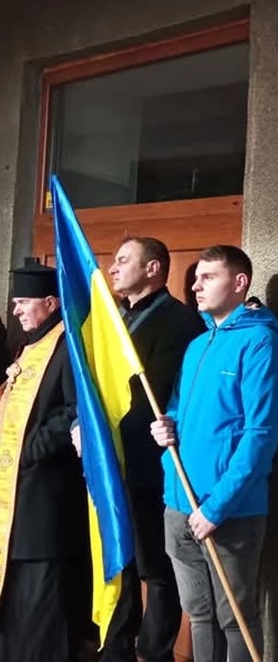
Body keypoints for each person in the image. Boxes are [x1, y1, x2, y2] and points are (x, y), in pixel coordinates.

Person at [150, 245, 278, 662]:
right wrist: (166, 427)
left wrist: (217, 508)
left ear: (239, 282)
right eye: (196, 278)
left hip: (229, 512)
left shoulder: (261, 343)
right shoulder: (198, 344)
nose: (196, 285)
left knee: (235, 618)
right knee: (199, 613)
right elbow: (178, 408)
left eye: (208, 277)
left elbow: (260, 435)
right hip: (179, 503)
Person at [94, 237, 205, 662]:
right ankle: (117, 647)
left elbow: (154, 395)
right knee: (119, 560)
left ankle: (154, 652)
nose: (113, 268)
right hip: (110, 460)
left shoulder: (180, 322)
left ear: (153, 268)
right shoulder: (114, 317)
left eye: (124, 260)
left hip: (150, 463)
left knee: (157, 569)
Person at [0, 258, 91, 659]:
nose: (16, 310)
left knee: (40, 599)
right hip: (15, 493)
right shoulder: (30, 344)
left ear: (51, 303)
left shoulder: (66, 348)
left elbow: (76, 411)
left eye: (23, 302)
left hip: (45, 493)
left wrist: (30, 448)